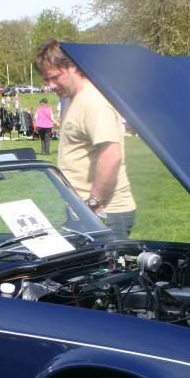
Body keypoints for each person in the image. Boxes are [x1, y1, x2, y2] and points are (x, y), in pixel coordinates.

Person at [36, 39, 136, 239]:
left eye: (55, 77)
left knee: (104, 270)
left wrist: (93, 204)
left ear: (72, 66)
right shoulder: (73, 99)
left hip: (105, 213)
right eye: (47, 80)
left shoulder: (93, 102)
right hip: (84, 211)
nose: (50, 85)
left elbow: (111, 154)